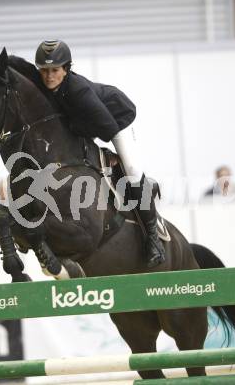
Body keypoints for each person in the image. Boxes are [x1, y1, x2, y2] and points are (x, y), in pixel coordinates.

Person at [32, 39, 166, 267]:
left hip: (117, 119)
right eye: (44, 71)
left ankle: (153, 239)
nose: (49, 76)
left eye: (55, 70)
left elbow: (107, 127)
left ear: (66, 69)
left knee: (131, 170)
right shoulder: (46, 86)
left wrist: (110, 153)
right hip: (91, 123)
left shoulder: (78, 90)